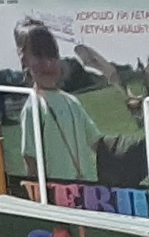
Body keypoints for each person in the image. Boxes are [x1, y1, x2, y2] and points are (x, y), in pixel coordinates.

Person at [12, 18, 105, 183]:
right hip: (57, 193)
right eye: (39, 56)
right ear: (24, 61)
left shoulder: (72, 102)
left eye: (52, 55)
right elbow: (31, 160)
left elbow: (97, 143)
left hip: (88, 188)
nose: (48, 63)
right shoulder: (33, 108)